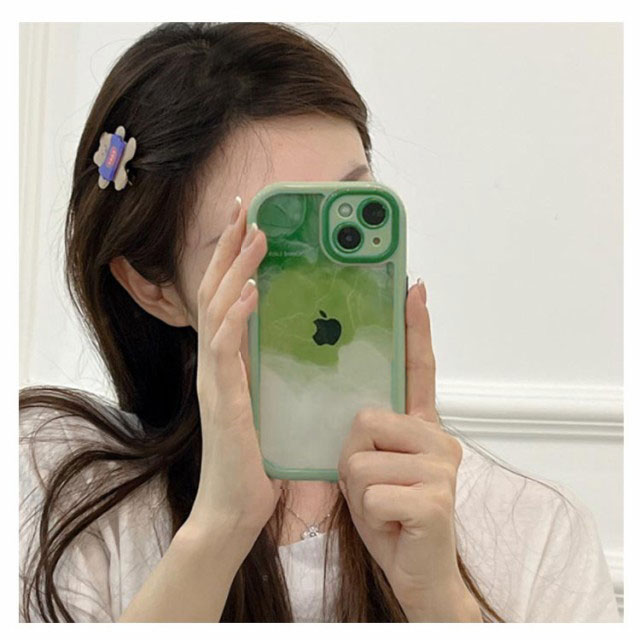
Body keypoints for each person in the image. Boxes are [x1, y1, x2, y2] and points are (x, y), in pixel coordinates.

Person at [19, 22, 620, 623]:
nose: (326, 286)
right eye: (272, 242)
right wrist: (220, 530)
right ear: (154, 289)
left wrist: (438, 601)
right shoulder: (64, 496)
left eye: (350, 209)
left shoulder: (536, 530)